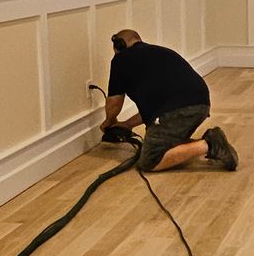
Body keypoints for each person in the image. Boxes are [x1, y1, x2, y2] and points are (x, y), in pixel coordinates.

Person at [102, 28, 238, 172]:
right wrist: (128, 124)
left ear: (120, 45)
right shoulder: (162, 52)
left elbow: (114, 102)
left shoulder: (120, 60)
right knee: (167, 144)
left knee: (150, 160)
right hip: (200, 103)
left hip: (178, 110)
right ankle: (213, 143)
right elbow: (158, 104)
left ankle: (210, 145)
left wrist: (110, 121)